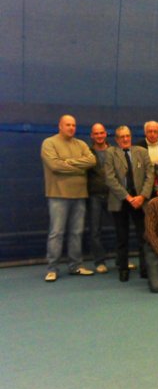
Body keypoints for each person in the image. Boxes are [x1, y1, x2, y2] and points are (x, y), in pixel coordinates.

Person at [41, 115, 97, 281]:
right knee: (56, 233)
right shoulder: (49, 143)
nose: (71, 128)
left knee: (76, 233)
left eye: (73, 125)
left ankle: (76, 266)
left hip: (79, 195)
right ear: (60, 126)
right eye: (68, 125)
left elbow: (91, 161)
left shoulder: (81, 144)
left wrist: (67, 162)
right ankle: (52, 268)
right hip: (58, 195)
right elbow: (54, 166)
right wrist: (79, 166)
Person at [105, 126, 155, 281]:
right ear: (116, 139)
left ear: (131, 137)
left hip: (140, 201)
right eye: (122, 137)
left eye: (127, 136)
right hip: (120, 201)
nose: (125, 139)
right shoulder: (111, 153)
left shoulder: (142, 152)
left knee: (144, 237)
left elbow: (150, 175)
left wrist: (142, 196)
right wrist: (128, 197)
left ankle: (145, 268)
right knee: (122, 237)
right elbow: (110, 179)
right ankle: (123, 268)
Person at [86, 123, 111, 273]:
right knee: (95, 230)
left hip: (113, 196)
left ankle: (122, 260)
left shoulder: (114, 151)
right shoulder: (87, 153)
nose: (99, 136)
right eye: (96, 133)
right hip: (94, 196)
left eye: (101, 133)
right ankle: (99, 261)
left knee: (121, 228)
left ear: (106, 134)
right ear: (92, 136)